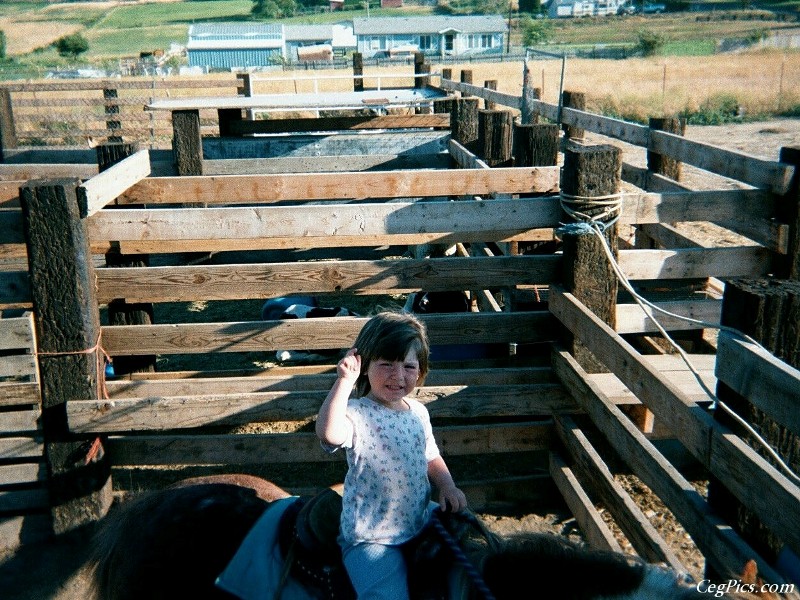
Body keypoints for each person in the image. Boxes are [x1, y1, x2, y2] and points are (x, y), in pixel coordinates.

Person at [315, 311, 468, 600]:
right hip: (373, 535)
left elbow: (430, 456)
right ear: (364, 366)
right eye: (386, 364)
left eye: (409, 367)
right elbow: (329, 434)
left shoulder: (418, 413)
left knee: (472, 539)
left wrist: (447, 485)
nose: (398, 376)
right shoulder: (357, 413)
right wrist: (344, 382)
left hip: (419, 517)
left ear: (421, 370)